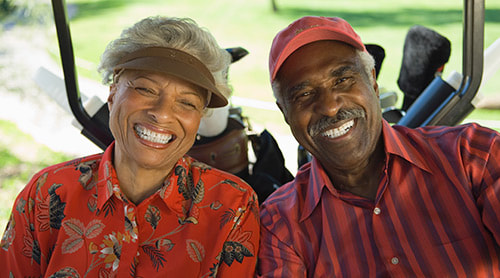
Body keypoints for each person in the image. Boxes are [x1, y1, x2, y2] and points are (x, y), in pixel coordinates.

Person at [0, 16, 259, 277]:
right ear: (113, 91)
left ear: (200, 117)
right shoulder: (47, 194)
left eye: (187, 103)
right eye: (145, 89)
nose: (162, 114)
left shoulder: (232, 206)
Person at [258, 16, 500, 277]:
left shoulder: (473, 155)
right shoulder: (280, 223)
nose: (330, 107)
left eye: (342, 80)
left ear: (372, 81)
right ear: (285, 113)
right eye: (304, 94)